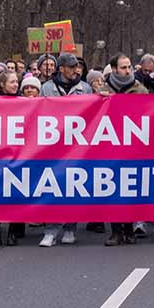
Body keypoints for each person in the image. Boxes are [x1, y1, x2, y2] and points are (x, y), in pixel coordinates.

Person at [38, 53, 92, 247]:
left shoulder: (84, 88)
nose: (75, 70)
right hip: (53, 146)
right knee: (53, 186)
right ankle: (51, 231)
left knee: (73, 186)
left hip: (77, 146)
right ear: (61, 69)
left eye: (76, 67)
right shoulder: (47, 88)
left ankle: (70, 228)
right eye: (71, 67)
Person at [98, 53, 149, 247]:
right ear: (114, 69)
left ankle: (129, 229)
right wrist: (99, 101)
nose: (128, 71)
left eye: (129, 67)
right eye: (123, 67)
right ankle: (116, 231)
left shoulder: (140, 90)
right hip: (109, 147)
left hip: (133, 148)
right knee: (112, 189)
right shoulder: (103, 90)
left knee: (130, 188)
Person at [0, 71, 25, 247]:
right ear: (2, 85)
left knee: (15, 194)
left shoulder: (25, 103)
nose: (16, 85)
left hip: (18, 155)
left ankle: (12, 233)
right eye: (12, 82)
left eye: (17, 81)